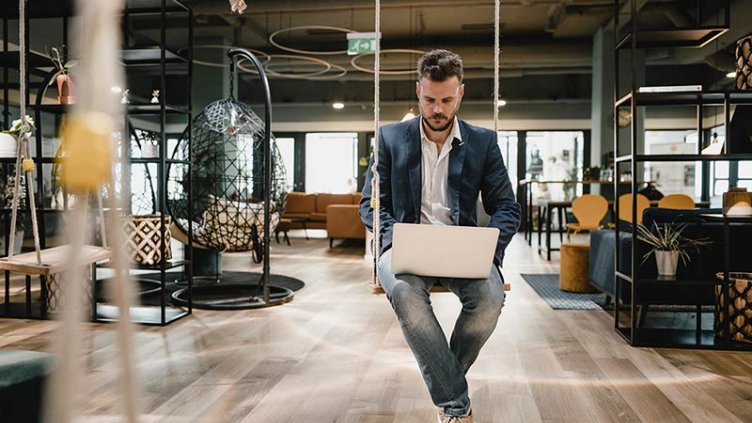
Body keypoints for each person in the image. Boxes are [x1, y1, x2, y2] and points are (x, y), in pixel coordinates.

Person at [359, 49, 520, 423]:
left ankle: (449, 387)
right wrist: (392, 239)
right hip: (404, 245)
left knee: (490, 301)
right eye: (430, 99)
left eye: (446, 100)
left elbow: (507, 207)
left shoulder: (483, 143)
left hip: (461, 248)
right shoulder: (390, 138)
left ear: (460, 93)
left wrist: (488, 251)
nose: (437, 109)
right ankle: (455, 406)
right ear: (418, 92)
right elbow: (370, 204)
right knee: (404, 295)